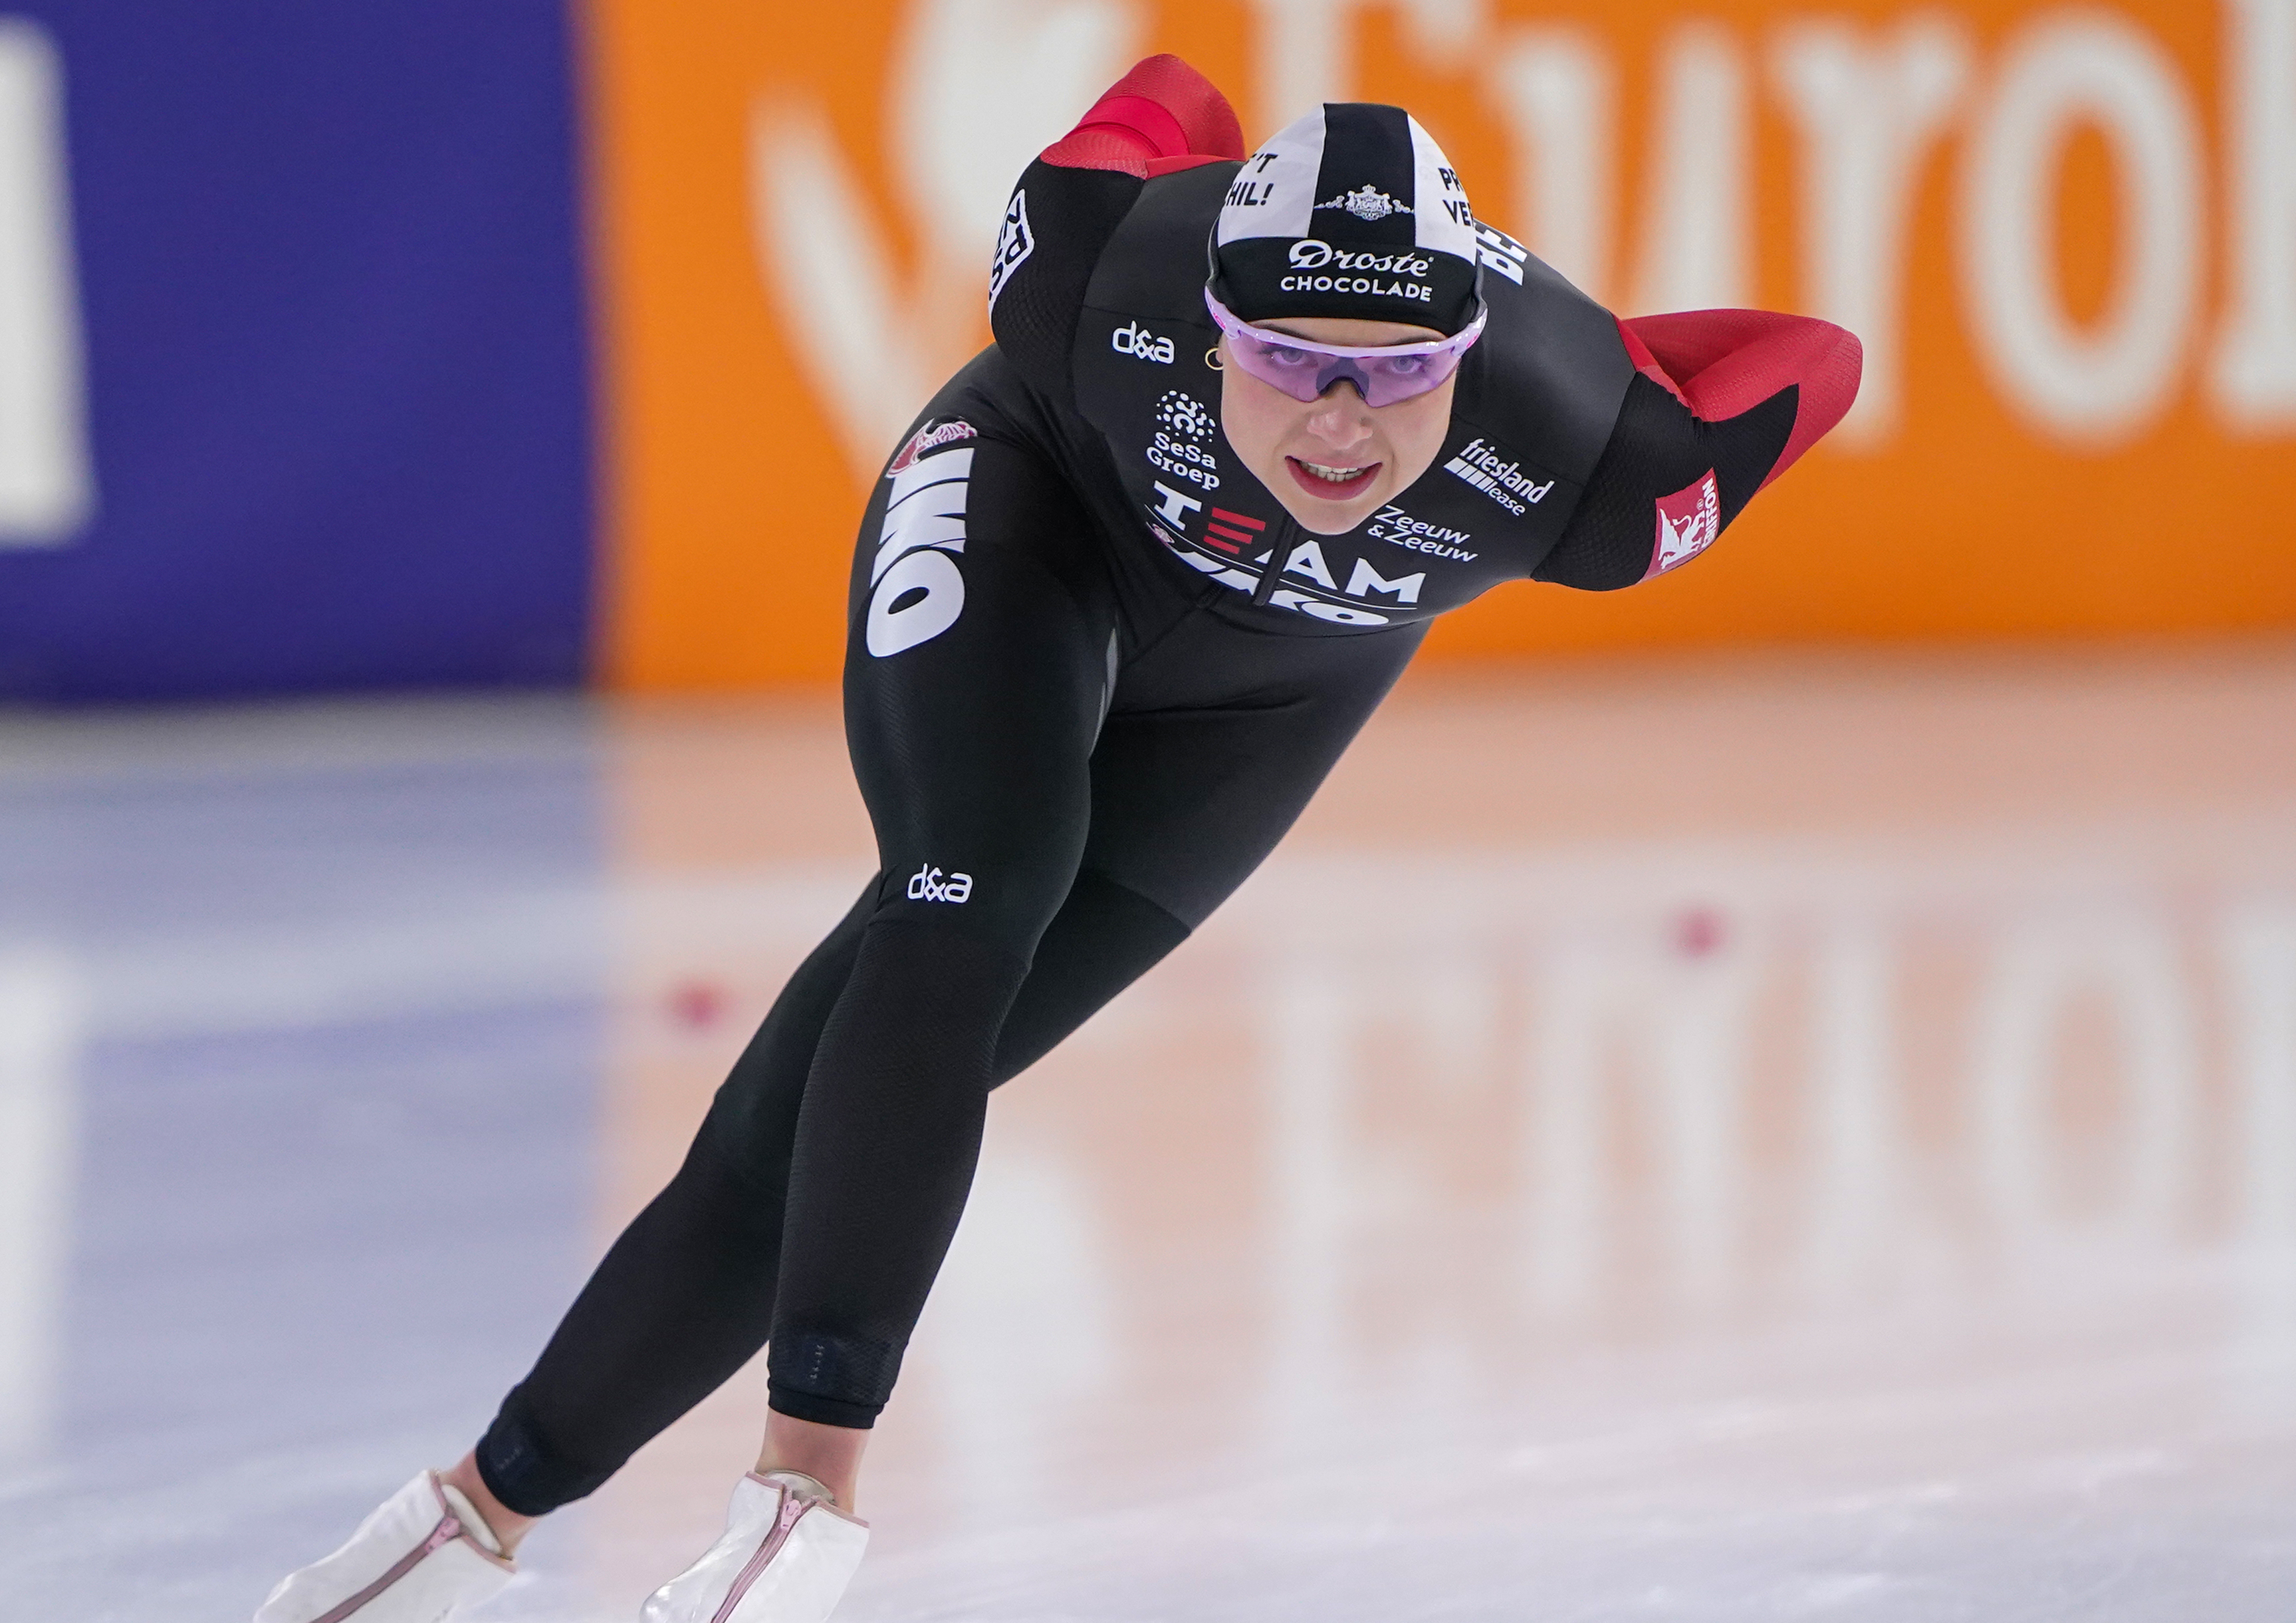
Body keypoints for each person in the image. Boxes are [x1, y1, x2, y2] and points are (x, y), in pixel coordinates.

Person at [252, 54, 1859, 1623]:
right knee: (968, 893)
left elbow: (1815, 355)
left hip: (1263, 704)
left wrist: (1608, 349)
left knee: (828, 1102)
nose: (1342, 422)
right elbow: (1166, 98)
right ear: (1212, 318)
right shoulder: (1098, 262)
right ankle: (802, 1498)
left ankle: (471, 1518)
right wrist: (1210, 164)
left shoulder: (1600, 464)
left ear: (1472, 351)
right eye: (1287, 358)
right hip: (1036, 518)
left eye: (1402, 370)